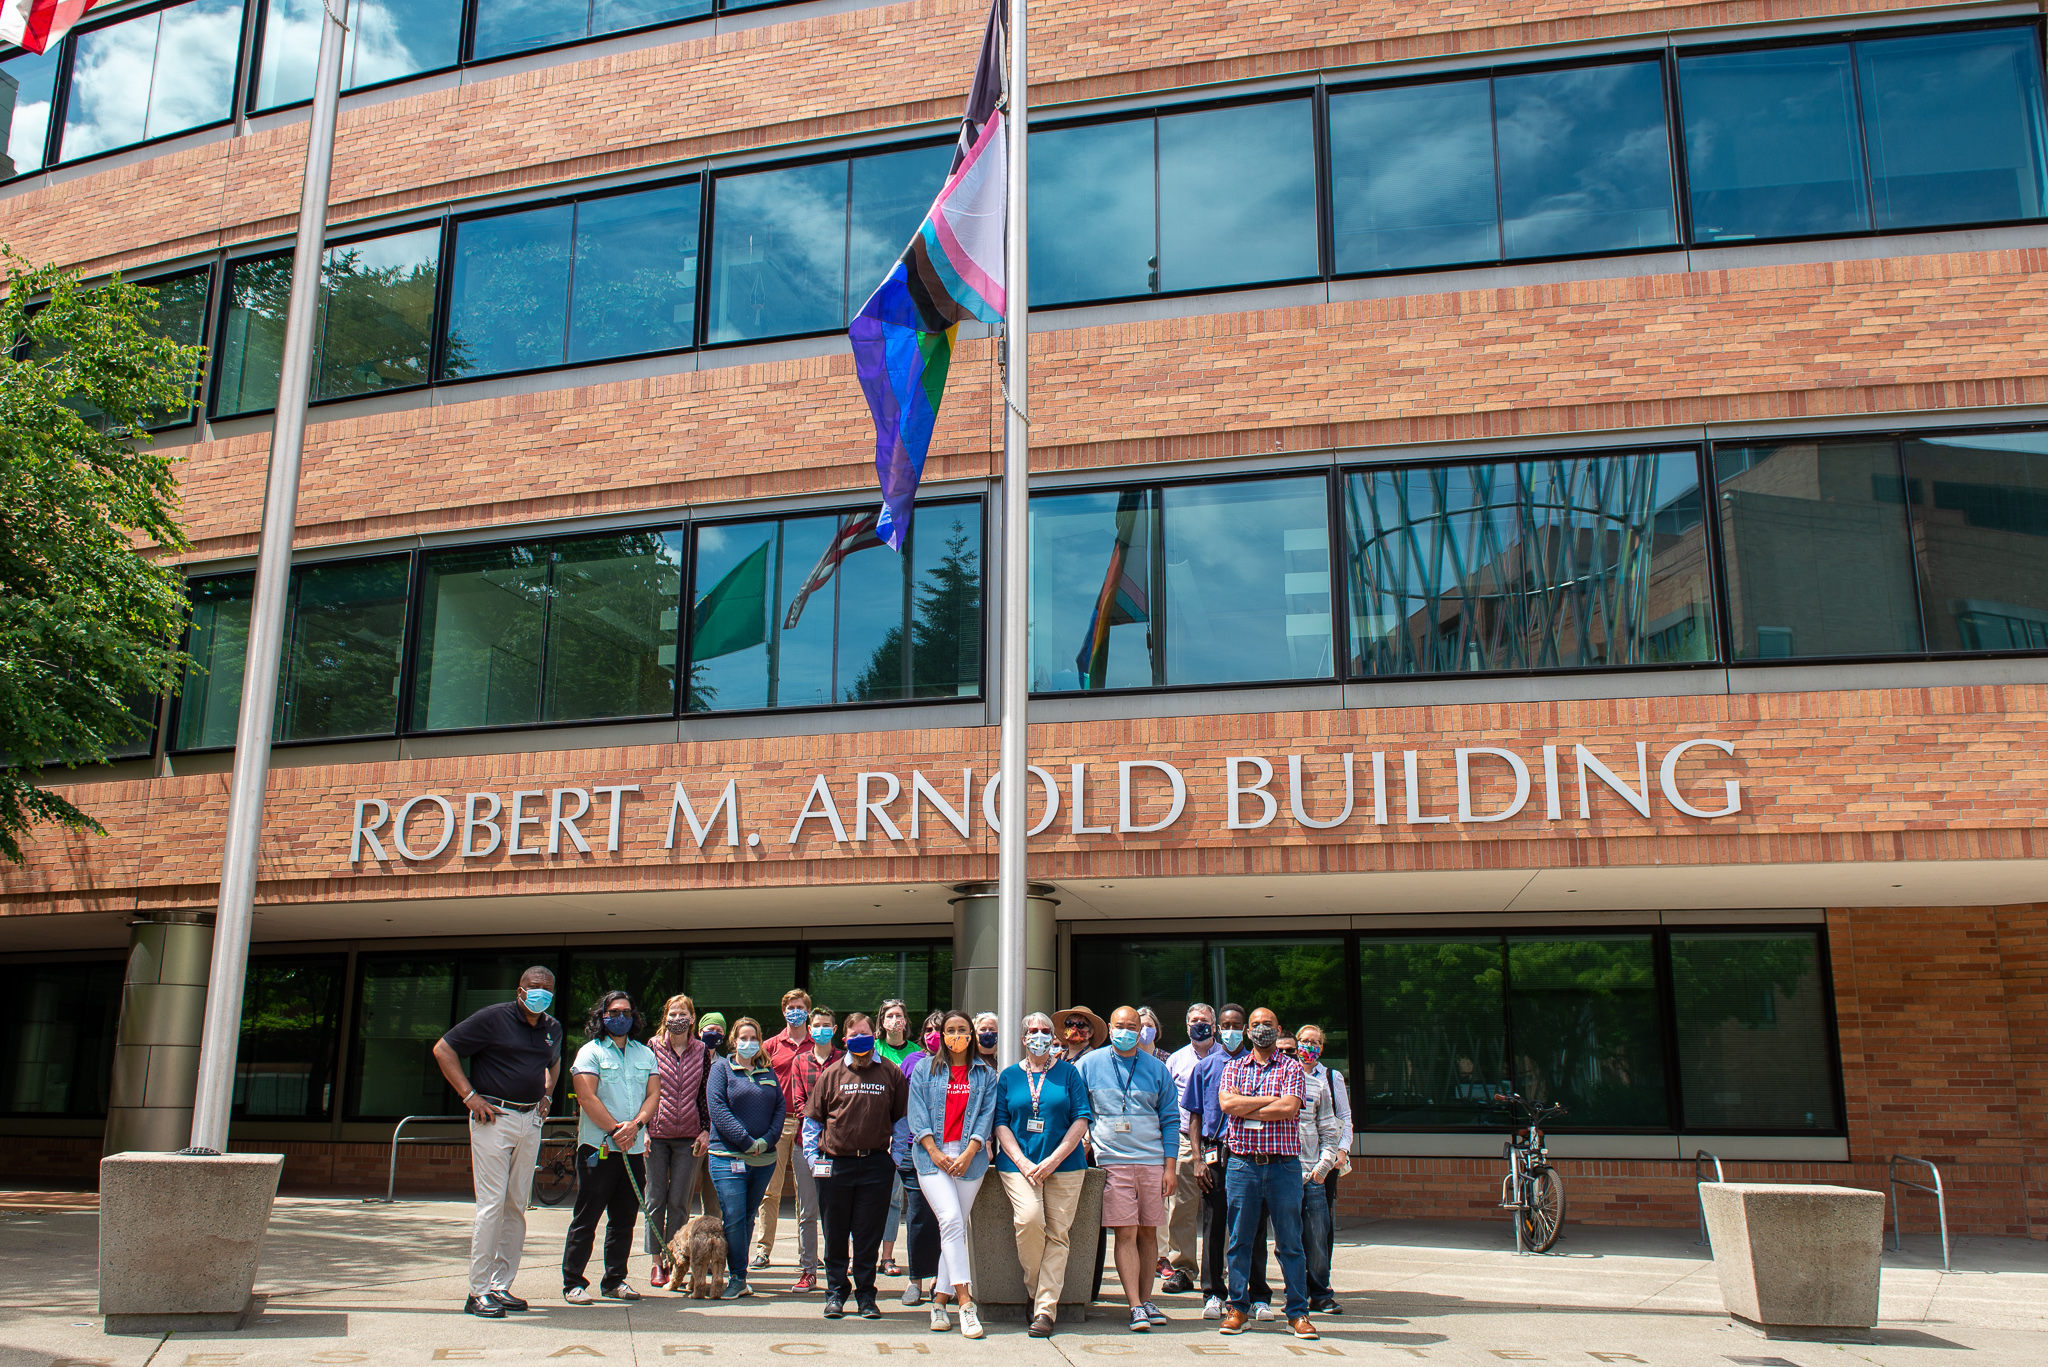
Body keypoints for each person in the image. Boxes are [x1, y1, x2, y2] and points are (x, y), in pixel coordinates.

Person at [433, 965, 563, 1318]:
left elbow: (554, 1062)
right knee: (491, 1205)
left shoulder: (552, 1027)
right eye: (534, 986)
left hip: (530, 1120)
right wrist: (469, 1095)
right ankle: (477, 1292)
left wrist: (547, 1095)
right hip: (494, 1118)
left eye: (547, 987)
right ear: (520, 989)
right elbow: (443, 1049)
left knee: (517, 1205)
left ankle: (500, 1285)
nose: (540, 992)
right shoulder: (492, 1018)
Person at [1075, 1005, 1179, 1333]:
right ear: (1109, 1027)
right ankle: (1134, 1304)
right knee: (1126, 1231)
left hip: (1152, 1162)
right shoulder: (1088, 1064)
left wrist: (1170, 1167)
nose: (1126, 1031)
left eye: (1132, 1026)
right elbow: (1079, 1110)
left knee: (1149, 1233)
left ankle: (1147, 1299)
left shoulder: (1156, 1068)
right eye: (1120, 1025)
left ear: (1142, 1030)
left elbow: (1171, 1120)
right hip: (1112, 1162)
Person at [804, 1010, 911, 1320]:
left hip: (876, 1164)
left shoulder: (890, 1072)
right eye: (855, 1035)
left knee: (868, 1234)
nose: (861, 1038)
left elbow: (901, 1122)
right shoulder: (832, 1074)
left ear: (872, 1034)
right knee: (835, 1234)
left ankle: (866, 1295)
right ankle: (836, 1294)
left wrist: (894, 1159)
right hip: (835, 1165)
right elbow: (812, 1121)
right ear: (846, 1039)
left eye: (866, 1032)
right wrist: (813, 1159)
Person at [1217, 1007, 1314, 1340]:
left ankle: (1298, 1313)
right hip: (1242, 1165)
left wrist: (1248, 1103)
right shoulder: (1233, 1067)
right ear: (1248, 1031)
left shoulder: (1291, 1066)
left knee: (1290, 1242)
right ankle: (1238, 1308)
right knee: (1239, 1240)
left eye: (1267, 1025)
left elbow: (1289, 1107)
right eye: (1256, 1025)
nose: (1261, 1030)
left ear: (1279, 1028)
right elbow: (1227, 1105)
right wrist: (1267, 1099)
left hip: (1283, 1166)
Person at [993, 1011, 1092, 1338]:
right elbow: (1001, 1122)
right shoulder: (1008, 1076)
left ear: (1054, 1037)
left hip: (1064, 1165)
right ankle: (1036, 1290)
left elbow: (1081, 1120)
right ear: (1023, 1039)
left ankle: (1044, 1309)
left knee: (1058, 1235)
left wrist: (1053, 1159)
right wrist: (1022, 1161)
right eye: (1032, 1031)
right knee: (1030, 1220)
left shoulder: (1069, 1074)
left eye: (1045, 1031)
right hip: (1018, 1166)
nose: (1039, 1035)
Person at [562, 991, 660, 1305]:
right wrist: (615, 1129)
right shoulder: (590, 1052)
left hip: (632, 1150)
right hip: (598, 1148)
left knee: (624, 1217)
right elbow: (587, 1097)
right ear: (602, 1017)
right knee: (587, 1216)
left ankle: (615, 1280)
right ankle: (573, 1282)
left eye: (627, 1012)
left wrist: (637, 1125)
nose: (620, 1016)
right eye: (614, 1011)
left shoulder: (644, 1053)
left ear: (634, 1017)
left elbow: (653, 1095)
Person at [908, 1010, 997, 1336]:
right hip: (932, 1159)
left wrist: (970, 1152)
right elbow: (917, 1115)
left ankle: (939, 1303)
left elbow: (986, 1117)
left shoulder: (985, 1074)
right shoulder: (924, 1068)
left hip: (970, 1160)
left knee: (954, 1230)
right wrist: (934, 1151)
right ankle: (966, 1304)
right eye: (950, 1030)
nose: (957, 1035)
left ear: (971, 1034)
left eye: (963, 1030)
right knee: (951, 1221)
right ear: (942, 1035)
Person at [1184, 1003, 1264, 1319]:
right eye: (1226, 1025)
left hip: (1251, 1154)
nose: (1230, 1030)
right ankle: (1214, 1292)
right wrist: (1197, 1159)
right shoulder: (1204, 1068)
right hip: (1215, 1154)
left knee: (1253, 1224)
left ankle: (1257, 1293)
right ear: (1218, 1029)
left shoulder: (1257, 1064)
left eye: (1236, 1025)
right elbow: (1194, 1116)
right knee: (1215, 1223)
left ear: (1245, 1029)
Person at [706, 1016, 787, 1299]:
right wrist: (745, 1141)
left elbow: (780, 1108)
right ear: (733, 1040)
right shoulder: (721, 1069)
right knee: (734, 1216)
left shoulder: (768, 1072)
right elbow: (717, 1107)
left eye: (754, 1038)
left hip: (763, 1160)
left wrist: (766, 1141)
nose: (749, 1043)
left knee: (748, 1216)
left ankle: (739, 1273)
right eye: (744, 1038)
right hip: (727, 1157)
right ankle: (737, 1277)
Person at [643, 994, 712, 1290]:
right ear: (665, 1018)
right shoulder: (652, 1047)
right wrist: (642, 1128)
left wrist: (706, 1129)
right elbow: (643, 1088)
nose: (677, 1018)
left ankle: (675, 1259)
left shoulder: (702, 1051)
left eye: (683, 1013)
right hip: (655, 1136)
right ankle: (657, 1262)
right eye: (672, 1013)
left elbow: (705, 1095)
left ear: (692, 1018)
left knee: (679, 1202)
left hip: (688, 1137)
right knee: (655, 1199)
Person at [753, 987, 817, 1273]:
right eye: (790, 1007)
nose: (795, 1011)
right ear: (783, 1011)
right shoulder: (770, 1045)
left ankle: (809, 1254)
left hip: (808, 1124)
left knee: (808, 1192)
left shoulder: (818, 1042)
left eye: (800, 1007)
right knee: (771, 1190)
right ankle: (763, 1250)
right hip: (777, 1122)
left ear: (808, 1011)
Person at [1160, 1002, 1218, 1296]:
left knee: (1224, 1207)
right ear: (1186, 1026)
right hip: (1185, 1140)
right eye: (1194, 1020)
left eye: (1204, 1020)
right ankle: (1182, 1268)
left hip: (1220, 1141)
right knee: (1181, 1207)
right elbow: (1167, 1104)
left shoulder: (1228, 1058)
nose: (1199, 1025)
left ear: (1215, 1025)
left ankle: (1222, 1269)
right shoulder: (1176, 1060)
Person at [1293, 1025, 1349, 1315]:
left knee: (1318, 1234)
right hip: (1286, 1173)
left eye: (1314, 1043)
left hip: (1316, 1170)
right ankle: (1295, 1292)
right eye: (1304, 1041)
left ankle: (1321, 1292)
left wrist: (1326, 1164)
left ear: (1321, 1047)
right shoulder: (1284, 1076)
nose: (1308, 1047)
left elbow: (1337, 1123)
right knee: (1288, 1237)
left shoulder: (1326, 1079)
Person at [896, 1010, 945, 1307]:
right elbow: (898, 1103)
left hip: (949, 1154)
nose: (932, 1034)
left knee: (945, 1218)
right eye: (928, 1029)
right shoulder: (911, 1061)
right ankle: (915, 1280)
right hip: (914, 1152)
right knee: (917, 1216)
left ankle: (941, 1278)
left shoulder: (957, 1065)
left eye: (938, 1029)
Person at [874, 998, 915, 1277]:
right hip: (874, 1130)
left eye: (899, 1015)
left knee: (895, 1199)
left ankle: (887, 1257)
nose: (895, 1020)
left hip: (905, 1132)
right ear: (881, 1021)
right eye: (890, 1015)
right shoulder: (873, 1049)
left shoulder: (916, 1053)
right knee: (866, 1198)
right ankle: (861, 1254)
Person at [695, 1013, 727, 1226]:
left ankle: (712, 1245)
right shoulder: (689, 1059)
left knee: (714, 1197)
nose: (713, 1034)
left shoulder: (725, 1065)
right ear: (699, 1031)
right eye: (710, 1029)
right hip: (691, 1133)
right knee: (682, 1195)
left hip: (716, 1136)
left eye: (719, 1031)